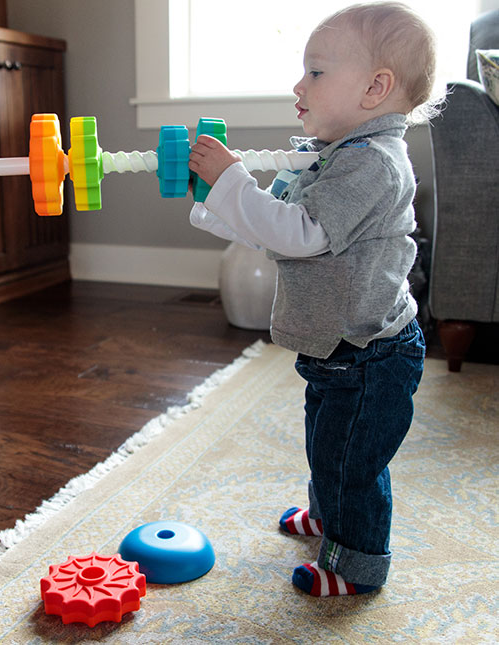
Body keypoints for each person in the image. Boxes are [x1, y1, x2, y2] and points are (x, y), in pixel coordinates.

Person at [188, 2, 437, 597]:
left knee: (351, 464)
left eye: (316, 73)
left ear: (376, 88)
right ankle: (328, 518)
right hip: (333, 345)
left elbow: (300, 235)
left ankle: (356, 565)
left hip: (372, 353)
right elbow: (269, 224)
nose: (298, 86)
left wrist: (232, 184)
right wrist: (214, 198)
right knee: (326, 444)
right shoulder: (328, 155)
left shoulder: (374, 163)